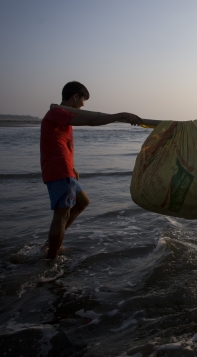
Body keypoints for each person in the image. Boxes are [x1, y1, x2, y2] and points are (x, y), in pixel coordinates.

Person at [40, 81, 142, 259]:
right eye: (82, 100)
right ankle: (51, 259)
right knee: (61, 214)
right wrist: (121, 115)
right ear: (75, 97)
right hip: (59, 170)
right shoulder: (58, 113)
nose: (83, 105)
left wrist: (72, 167)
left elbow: (58, 143)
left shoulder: (62, 115)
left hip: (65, 169)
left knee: (83, 202)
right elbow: (92, 120)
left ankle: (52, 245)